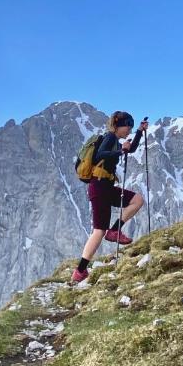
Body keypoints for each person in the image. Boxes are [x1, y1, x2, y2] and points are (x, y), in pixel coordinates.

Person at [71, 112, 147, 284]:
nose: (129, 130)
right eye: (129, 127)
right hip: (99, 186)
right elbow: (100, 155)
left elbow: (130, 149)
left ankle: (114, 231)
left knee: (137, 200)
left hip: (104, 186)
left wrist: (139, 133)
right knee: (99, 231)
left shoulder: (114, 140)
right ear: (120, 125)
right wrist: (121, 151)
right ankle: (79, 271)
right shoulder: (110, 137)